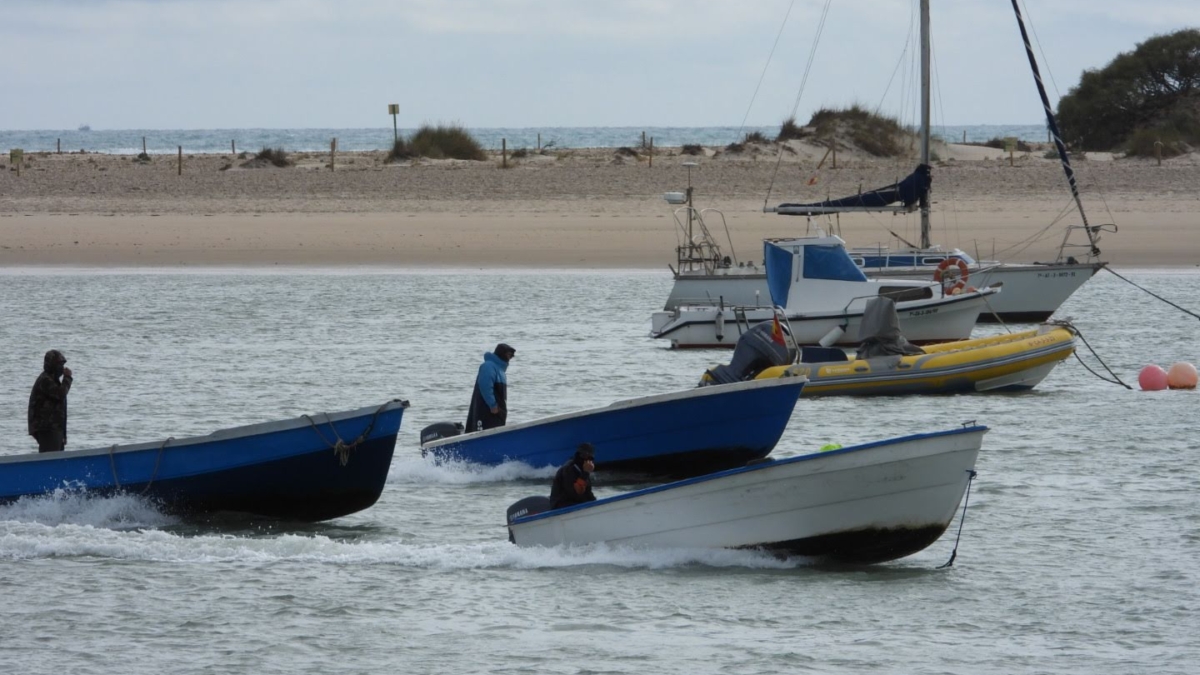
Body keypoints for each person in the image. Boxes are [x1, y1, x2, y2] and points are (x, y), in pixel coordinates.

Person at [28, 349, 73, 453]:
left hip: (55, 428)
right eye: (59, 365)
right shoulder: (45, 380)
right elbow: (60, 394)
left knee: (57, 459)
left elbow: (61, 409)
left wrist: (63, 434)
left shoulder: (53, 380)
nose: (61, 368)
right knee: (50, 458)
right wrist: (67, 378)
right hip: (47, 428)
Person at [465, 342, 515, 432]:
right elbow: (485, 386)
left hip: (497, 414)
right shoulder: (488, 366)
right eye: (508, 355)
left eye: (511, 356)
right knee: (481, 434)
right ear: (501, 354)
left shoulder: (500, 371)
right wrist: (493, 405)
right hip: (487, 412)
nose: (509, 358)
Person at [549, 443, 596, 510]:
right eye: (583, 456)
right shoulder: (568, 469)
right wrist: (585, 474)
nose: (586, 460)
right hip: (560, 505)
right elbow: (574, 494)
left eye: (589, 458)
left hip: (575, 504)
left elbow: (588, 493)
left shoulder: (583, 471)